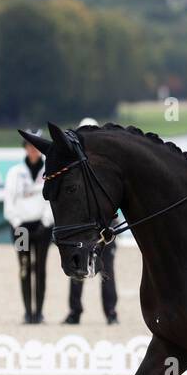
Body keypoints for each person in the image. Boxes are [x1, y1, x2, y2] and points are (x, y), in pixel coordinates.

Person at [64, 117, 119, 325]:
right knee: (78, 266)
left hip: (104, 225)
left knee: (106, 270)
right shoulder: (75, 166)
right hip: (83, 224)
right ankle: (75, 311)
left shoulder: (105, 164)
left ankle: (110, 312)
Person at [3, 130, 54, 324]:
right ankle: (27, 312)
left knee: (40, 268)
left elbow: (51, 200)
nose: (32, 150)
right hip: (21, 228)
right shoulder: (15, 173)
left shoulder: (48, 170)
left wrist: (46, 221)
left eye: (35, 147)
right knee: (25, 268)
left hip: (42, 226)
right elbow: (9, 201)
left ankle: (39, 312)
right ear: (24, 148)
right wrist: (17, 223)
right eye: (29, 146)